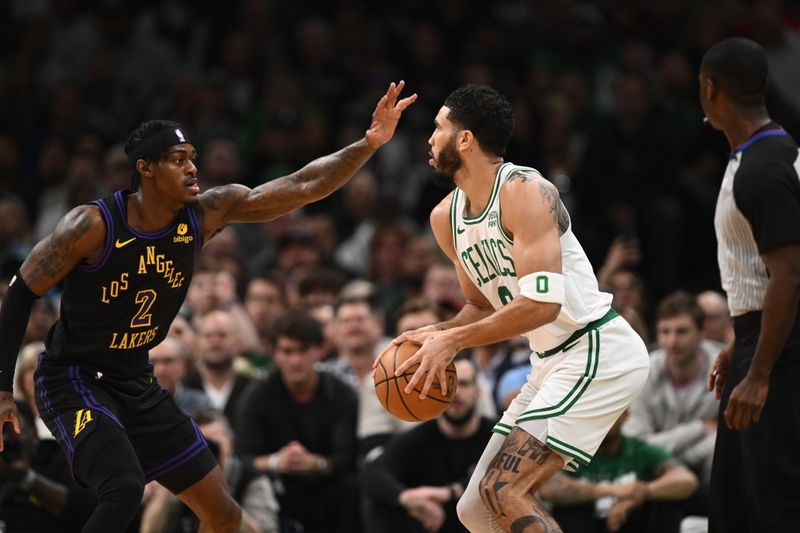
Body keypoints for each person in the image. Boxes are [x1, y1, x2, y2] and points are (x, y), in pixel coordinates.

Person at [0, 80, 415, 532]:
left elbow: (303, 186)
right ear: (146, 169)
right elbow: (20, 293)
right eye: (179, 160)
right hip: (74, 377)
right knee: (123, 487)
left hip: (135, 377)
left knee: (222, 513)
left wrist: (368, 143)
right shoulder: (92, 225)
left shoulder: (207, 213)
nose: (193, 167)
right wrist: (2, 388)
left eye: (193, 157)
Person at [383, 84, 650, 532]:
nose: (429, 139)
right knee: (475, 508)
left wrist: (451, 341)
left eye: (438, 128)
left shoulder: (526, 191)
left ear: (465, 139)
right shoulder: (443, 218)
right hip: (548, 362)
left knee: (502, 490)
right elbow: (478, 305)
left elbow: (542, 306)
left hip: (596, 349)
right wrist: (435, 332)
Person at [699, 37, 800, 532]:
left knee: (770, 508)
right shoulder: (770, 150)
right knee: (736, 502)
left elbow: (790, 274)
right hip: (760, 336)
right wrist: (742, 339)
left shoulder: (763, 169)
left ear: (710, 89)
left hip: (777, 352)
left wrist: (758, 371)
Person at [236, 310, 359, 533]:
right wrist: (277, 462)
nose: (295, 360)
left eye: (303, 351)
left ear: (319, 350)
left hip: (328, 491)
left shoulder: (342, 394)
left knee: (350, 487)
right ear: (274, 353)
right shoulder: (257, 395)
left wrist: (316, 464)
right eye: (287, 351)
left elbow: (346, 458)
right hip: (274, 491)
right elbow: (242, 458)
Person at [360, 357, 494, 533]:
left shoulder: (496, 434)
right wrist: (405, 497)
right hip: (434, 525)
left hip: (482, 525)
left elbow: (506, 478)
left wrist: (450, 492)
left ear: (478, 391)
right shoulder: (420, 436)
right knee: (377, 502)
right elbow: (373, 471)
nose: (455, 392)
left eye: (463, 383)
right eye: (445, 383)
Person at [622, 292, 718, 502]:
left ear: (702, 332)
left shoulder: (722, 370)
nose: (672, 341)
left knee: (721, 452)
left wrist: (675, 453)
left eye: (682, 332)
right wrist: (699, 428)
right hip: (655, 478)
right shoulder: (642, 370)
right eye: (665, 332)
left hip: (709, 481)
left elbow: (727, 441)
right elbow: (636, 444)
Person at [539, 411, 699, 533]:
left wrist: (639, 495)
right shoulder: (571, 451)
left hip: (632, 525)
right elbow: (547, 488)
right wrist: (611, 491)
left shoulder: (640, 450)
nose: (603, 419)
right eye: (597, 413)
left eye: (611, 412)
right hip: (586, 525)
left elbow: (686, 480)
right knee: (570, 509)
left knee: (668, 501)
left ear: (625, 415)